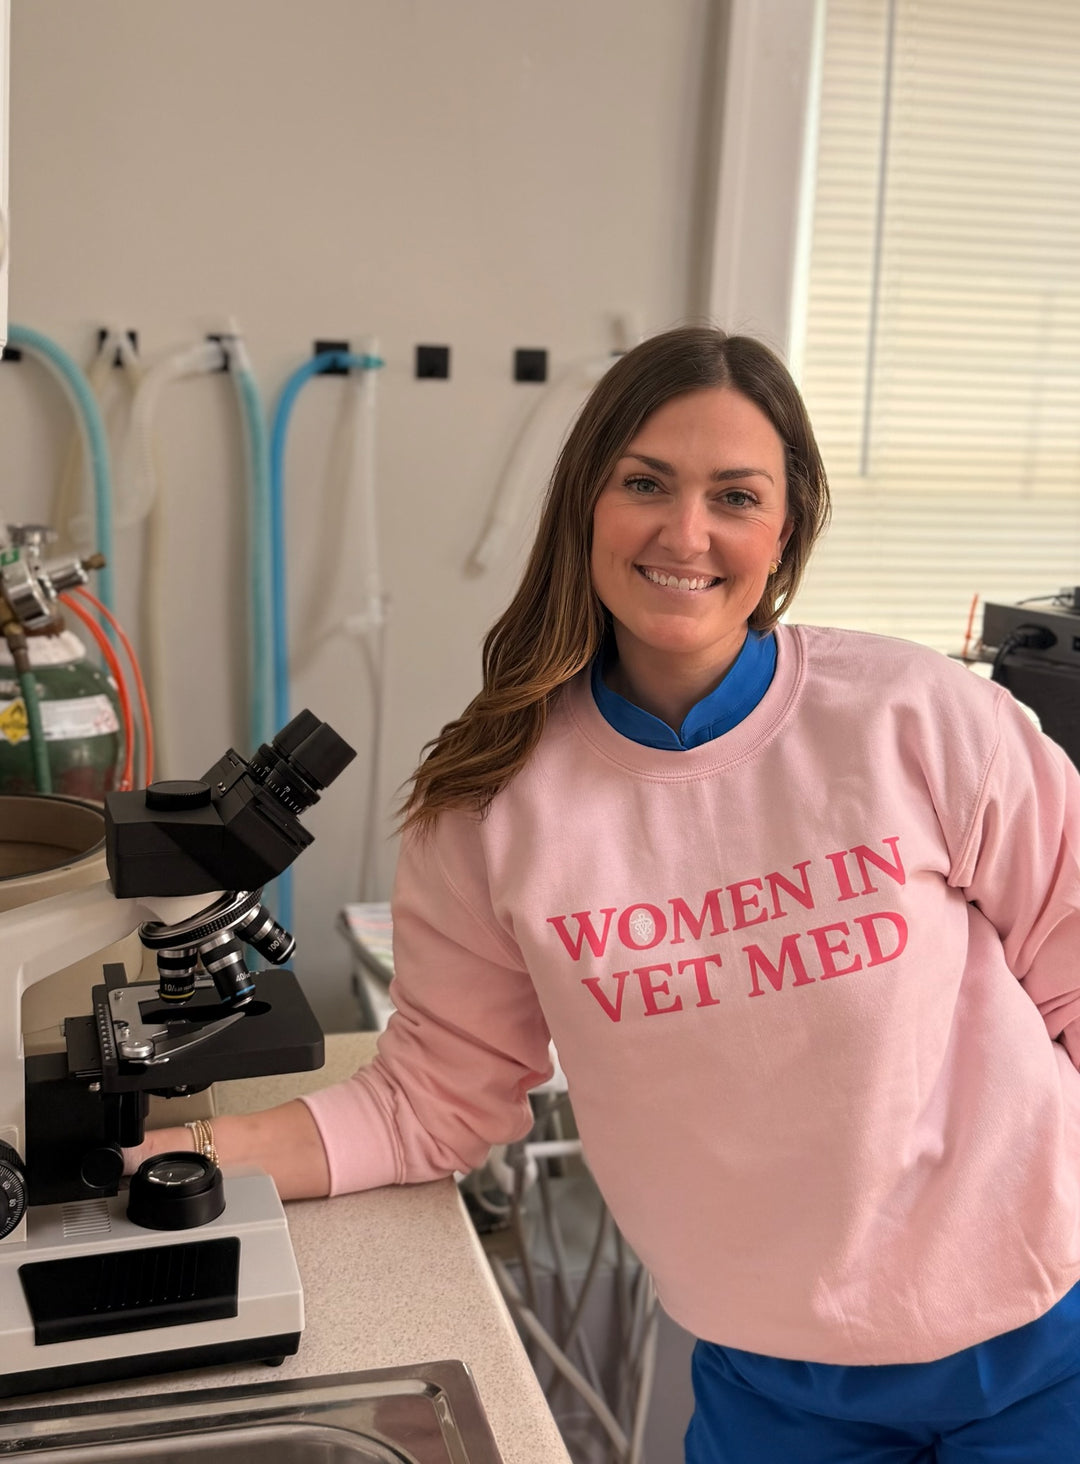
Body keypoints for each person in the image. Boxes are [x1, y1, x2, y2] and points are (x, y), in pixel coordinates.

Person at [130, 326, 1080, 1462]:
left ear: (786, 531)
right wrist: (173, 1157)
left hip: (1048, 1342)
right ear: (587, 502)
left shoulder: (921, 721)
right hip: (771, 1382)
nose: (688, 533)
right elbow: (433, 1099)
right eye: (646, 484)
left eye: (736, 495)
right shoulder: (489, 803)